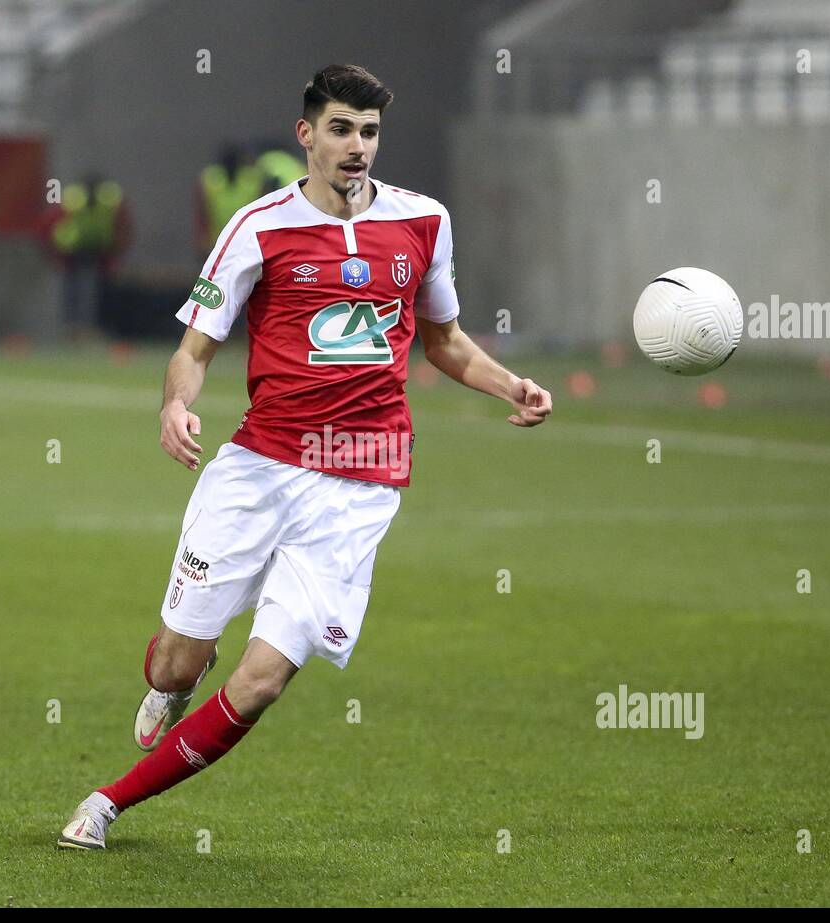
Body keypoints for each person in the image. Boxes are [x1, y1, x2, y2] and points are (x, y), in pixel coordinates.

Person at [58, 64, 552, 850]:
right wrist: (175, 404)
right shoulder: (258, 226)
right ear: (307, 134)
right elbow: (196, 346)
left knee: (258, 684)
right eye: (341, 129)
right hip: (258, 468)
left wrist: (509, 385)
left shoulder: (424, 222)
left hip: (360, 485)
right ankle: (179, 675)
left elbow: (445, 340)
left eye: (369, 131)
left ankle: (107, 804)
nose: (357, 146)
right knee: (176, 668)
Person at [40, 173, 133, 341]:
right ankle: (73, 330)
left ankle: (95, 328)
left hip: (100, 249)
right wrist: (54, 254)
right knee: (73, 290)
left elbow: (122, 226)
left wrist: (117, 253)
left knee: (99, 291)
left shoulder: (109, 199)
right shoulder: (72, 199)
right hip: (73, 250)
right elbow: (50, 225)